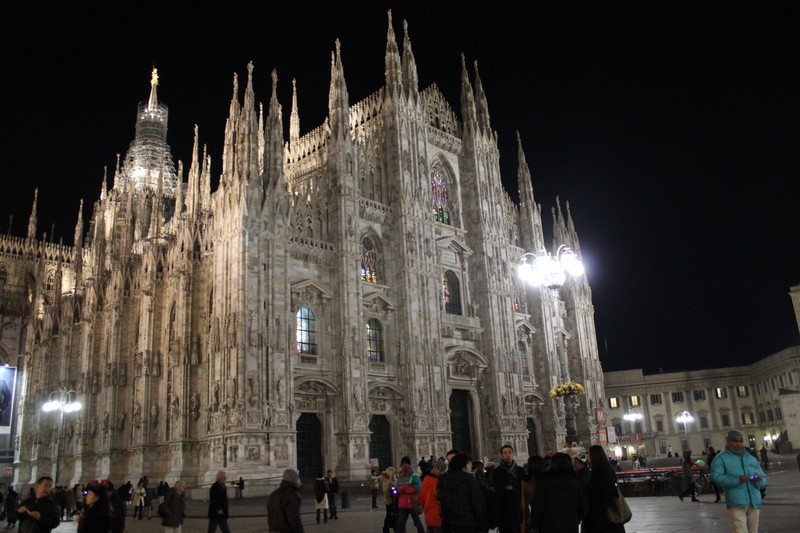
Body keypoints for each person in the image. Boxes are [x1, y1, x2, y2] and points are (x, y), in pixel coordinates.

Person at [711, 429, 767, 533]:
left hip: (754, 501)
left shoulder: (751, 458)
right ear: (729, 442)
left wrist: (759, 481)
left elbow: (763, 479)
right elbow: (716, 477)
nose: (739, 444)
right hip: (736, 502)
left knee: (753, 530)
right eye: (735, 441)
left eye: (740, 441)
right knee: (741, 530)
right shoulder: (721, 459)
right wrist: (737, 479)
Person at [531, 452, 588, 533]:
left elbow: (537, 507)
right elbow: (583, 507)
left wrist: (534, 525)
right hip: (570, 525)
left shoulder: (544, 483)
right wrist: (575, 519)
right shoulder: (574, 484)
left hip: (548, 525)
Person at [438, 453, 488, 533]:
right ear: (464, 466)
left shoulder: (447, 481)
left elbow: (443, 505)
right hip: (470, 525)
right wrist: (483, 526)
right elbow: (478, 506)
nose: (471, 467)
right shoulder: (471, 481)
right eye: (469, 464)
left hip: (452, 525)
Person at [584, 445, 625, 533]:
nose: (587, 456)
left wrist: (599, 510)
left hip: (605, 516)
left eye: (589, 454)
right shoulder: (599, 469)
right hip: (601, 513)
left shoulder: (603, 471)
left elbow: (607, 493)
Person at [493, 444, 523, 533]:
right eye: (505, 453)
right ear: (501, 455)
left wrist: (512, 488)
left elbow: (521, 487)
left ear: (513, 454)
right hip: (504, 509)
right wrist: (514, 488)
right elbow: (500, 490)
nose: (508, 455)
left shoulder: (519, 470)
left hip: (517, 507)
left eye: (510, 452)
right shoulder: (497, 472)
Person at [267, 469, 304, 533]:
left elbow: (270, 515)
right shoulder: (292, 495)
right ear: (293, 479)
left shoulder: (274, 494)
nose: (298, 480)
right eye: (297, 478)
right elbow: (294, 518)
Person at [395, 456, 424, 533]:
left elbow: (419, 487)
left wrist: (405, 489)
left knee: (417, 522)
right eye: (403, 463)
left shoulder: (414, 475)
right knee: (400, 523)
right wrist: (396, 491)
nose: (405, 465)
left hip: (412, 502)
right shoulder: (400, 476)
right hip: (402, 503)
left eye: (406, 463)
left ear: (409, 464)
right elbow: (397, 487)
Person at [419, 457, 445, 533]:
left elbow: (422, 497)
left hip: (428, 515)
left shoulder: (426, 479)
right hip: (439, 516)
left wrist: (425, 507)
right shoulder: (440, 481)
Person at [523, 456, 547, 532]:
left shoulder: (526, 484)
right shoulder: (548, 482)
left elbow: (525, 505)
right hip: (549, 518)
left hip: (533, 518)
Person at [380, 466, 397, 533]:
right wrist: (396, 491)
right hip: (391, 500)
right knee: (393, 514)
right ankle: (393, 527)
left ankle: (386, 528)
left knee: (388, 514)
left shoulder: (384, 479)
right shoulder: (390, 481)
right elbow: (393, 490)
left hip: (386, 500)